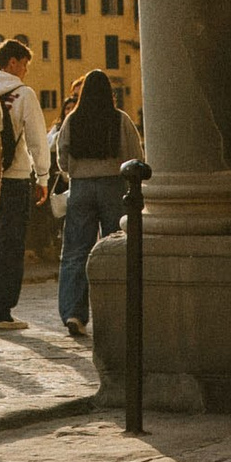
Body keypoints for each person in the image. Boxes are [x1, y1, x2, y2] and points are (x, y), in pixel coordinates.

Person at [49, 68, 142, 338]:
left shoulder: (73, 120)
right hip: (114, 185)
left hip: (81, 188)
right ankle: (116, 310)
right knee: (116, 248)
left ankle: (73, 313)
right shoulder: (120, 120)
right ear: (109, 94)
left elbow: (61, 157)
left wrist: (75, 173)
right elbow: (135, 155)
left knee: (75, 252)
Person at [0, 35, 52, 327]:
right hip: (16, 176)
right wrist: (43, 176)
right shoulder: (23, 94)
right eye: (24, 64)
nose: (26, 70)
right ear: (12, 62)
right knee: (12, 243)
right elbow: (37, 140)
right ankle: (1, 310)